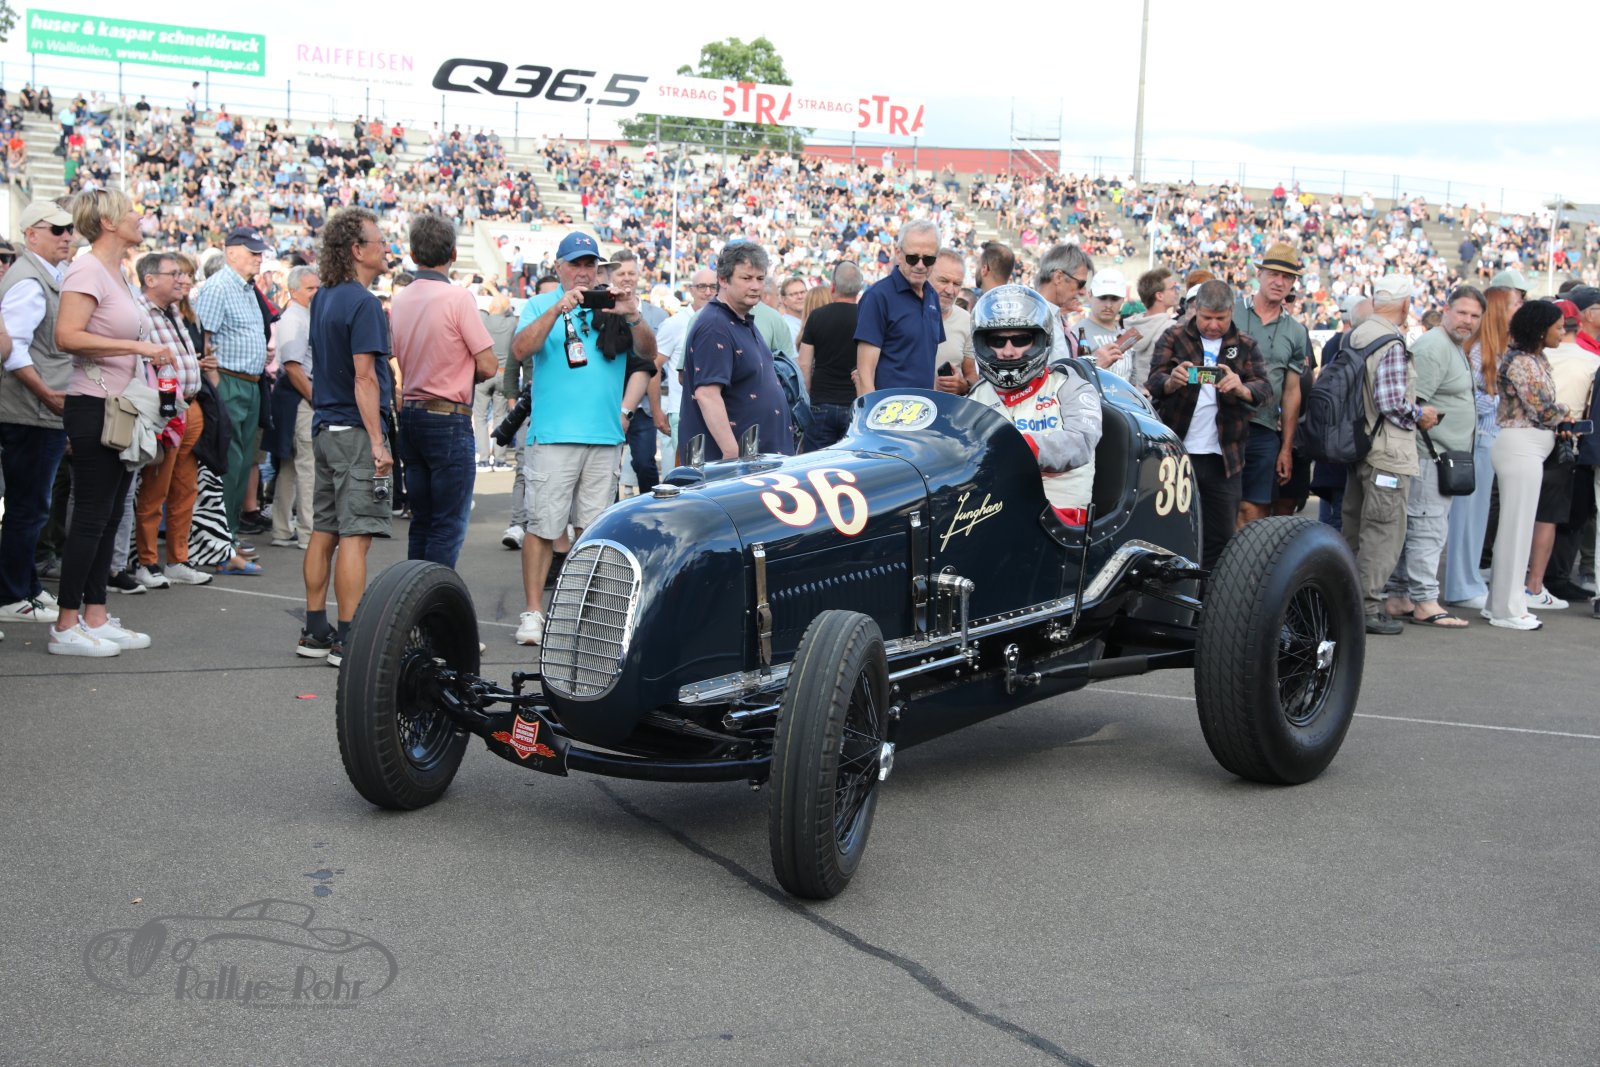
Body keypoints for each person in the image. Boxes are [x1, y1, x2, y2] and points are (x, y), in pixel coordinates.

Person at [509, 231, 655, 646]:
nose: (583, 271)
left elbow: (648, 354)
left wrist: (632, 314)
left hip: (604, 436)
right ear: (558, 267)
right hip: (554, 435)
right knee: (542, 526)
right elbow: (520, 350)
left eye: (590, 264)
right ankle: (533, 612)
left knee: (592, 534)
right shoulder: (541, 304)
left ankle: (578, 615)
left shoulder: (613, 304)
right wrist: (559, 308)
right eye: (575, 264)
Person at [49, 188, 176, 656]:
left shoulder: (115, 271)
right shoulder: (86, 269)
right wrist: (139, 348)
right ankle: (66, 624)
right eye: (129, 211)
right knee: (92, 516)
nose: (138, 217)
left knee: (109, 516)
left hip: (120, 407)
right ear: (106, 222)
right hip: (95, 406)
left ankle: (96, 614)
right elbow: (67, 335)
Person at [299, 207, 394, 665]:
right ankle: (348, 637)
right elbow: (365, 377)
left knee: (325, 530)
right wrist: (377, 441)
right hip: (354, 430)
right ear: (357, 250)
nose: (386, 247)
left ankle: (315, 629)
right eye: (379, 241)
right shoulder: (363, 302)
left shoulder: (324, 296)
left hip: (325, 426)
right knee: (356, 535)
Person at [389, 213, 497, 567]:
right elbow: (488, 365)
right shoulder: (458, 298)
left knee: (422, 521)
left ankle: (414, 592)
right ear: (453, 253)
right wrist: (464, 372)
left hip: (412, 412)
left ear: (412, 254)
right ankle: (434, 595)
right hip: (447, 417)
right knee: (447, 525)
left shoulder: (401, 299)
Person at [1147, 281, 1272, 566]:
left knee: (1221, 536)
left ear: (1231, 312)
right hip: (1177, 454)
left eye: (1220, 318)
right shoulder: (1174, 336)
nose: (1213, 325)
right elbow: (1153, 381)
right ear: (1195, 309)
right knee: (1170, 530)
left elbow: (1265, 390)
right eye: (1207, 318)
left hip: (1224, 458)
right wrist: (1171, 381)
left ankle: (1210, 592)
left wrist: (1241, 388)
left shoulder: (1246, 344)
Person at [1381, 285, 1482, 627]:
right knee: (1427, 529)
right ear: (1446, 310)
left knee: (1419, 527)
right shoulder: (1435, 347)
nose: (1467, 320)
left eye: (1475, 315)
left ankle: (1399, 597)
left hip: (1438, 456)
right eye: (1462, 312)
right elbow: (1412, 404)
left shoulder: (1452, 345)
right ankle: (1425, 601)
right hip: (1428, 456)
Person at [1341, 275, 1435, 636]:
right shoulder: (1390, 341)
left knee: (1355, 528)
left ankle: (1347, 601)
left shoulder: (1357, 334)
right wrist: (1421, 414)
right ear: (1406, 304)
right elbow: (1392, 402)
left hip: (1358, 445)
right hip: (1387, 450)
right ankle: (1365, 607)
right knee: (1382, 532)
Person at [967, 284, 1101, 525]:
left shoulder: (1071, 387)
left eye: (1021, 340)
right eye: (997, 341)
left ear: (1040, 340)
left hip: (1059, 520)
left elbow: (1081, 442)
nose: (1008, 351)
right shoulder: (977, 395)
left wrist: (1017, 448)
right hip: (988, 514)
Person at [0, 201, 75, 630]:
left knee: (31, 507)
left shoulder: (44, 275)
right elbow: (13, 350)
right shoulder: (30, 280)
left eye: (69, 229)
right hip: (30, 410)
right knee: (28, 508)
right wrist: (47, 394)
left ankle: (23, 585)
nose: (67, 236)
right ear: (31, 234)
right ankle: (13, 593)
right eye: (57, 229)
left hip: (37, 408)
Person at [131, 252, 214, 589]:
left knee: (185, 488)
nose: (182, 280)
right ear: (150, 280)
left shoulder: (172, 310)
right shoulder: (140, 312)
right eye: (174, 274)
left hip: (188, 407)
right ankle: (146, 561)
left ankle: (178, 560)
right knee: (156, 488)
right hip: (165, 410)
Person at [1485, 301, 1569, 630]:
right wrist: (1565, 411)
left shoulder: (1535, 358)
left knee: (1515, 530)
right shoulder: (1522, 361)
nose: (1563, 332)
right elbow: (1543, 410)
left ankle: (1500, 604)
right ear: (1540, 330)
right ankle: (1508, 610)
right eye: (1558, 327)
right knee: (1516, 532)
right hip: (1520, 448)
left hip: (1527, 449)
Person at [194, 226, 272, 549]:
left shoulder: (246, 288)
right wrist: (214, 385)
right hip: (226, 381)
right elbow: (203, 341)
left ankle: (229, 536)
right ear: (231, 253)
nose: (259, 258)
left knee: (241, 463)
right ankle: (220, 540)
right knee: (228, 462)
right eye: (252, 252)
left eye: (259, 252)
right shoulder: (218, 287)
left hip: (249, 383)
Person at [680, 241, 792, 462]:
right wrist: (732, 455)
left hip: (756, 461)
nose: (755, 286)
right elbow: (707, 395)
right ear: (723, 280)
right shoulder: (715, 326)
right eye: (746, 278)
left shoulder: (739, 319)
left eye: (760, 278)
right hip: (737, 467)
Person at [1234, 242, 1311, 526]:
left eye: (1287, 277)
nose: (1279, 282)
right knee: (1217, 504)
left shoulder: (1296, 331)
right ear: (1259, 274)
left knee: (1255, 510)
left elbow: (1292, 393)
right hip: (1221, 424)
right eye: (1274, 274)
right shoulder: (1230, 312)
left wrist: (1286, 448)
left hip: (1264, 429)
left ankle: (1243, 558)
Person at [500, 275, 559, 551]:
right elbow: (513, 366)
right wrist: (513, 404)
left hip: (559, 407)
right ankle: (518, 523)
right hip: (529, 406)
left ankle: (558, 527)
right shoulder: (527, 325)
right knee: (524, 466)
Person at [855, 220, 945, 392]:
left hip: (924, 406)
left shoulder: (932, 296)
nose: (920, 265)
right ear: (898, 253)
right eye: (912, 258)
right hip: (887, 407)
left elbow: (928, 363)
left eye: (928, 259)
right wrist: (871, 408)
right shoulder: (877, 297)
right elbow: (865, 373)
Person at [268, 266, 319, 549]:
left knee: (291, 465)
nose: (316, 293)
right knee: (306, 465)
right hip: (299, 395)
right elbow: (293, 367)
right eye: (310, 288)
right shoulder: (294, 318)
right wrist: (314, 398)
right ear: (293, 291)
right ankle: (307, 533)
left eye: (317, 287)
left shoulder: (302, 315)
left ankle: (282, 529)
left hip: (297, 394)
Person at [797, 261, 864, 451]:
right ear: (859, 288)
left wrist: (808, 398)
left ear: (833, 286)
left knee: (817, 463)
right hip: (855, 404)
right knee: (851, 463)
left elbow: (804, 364)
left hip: (821, 402)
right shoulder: (866, 317)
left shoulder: (817, 316)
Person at [654, 269, 715, 475]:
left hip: (717, 411)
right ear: (691, 290)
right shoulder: (674, 324)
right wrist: (657, 411)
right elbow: (654, 366)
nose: (708, 292)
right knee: (687, 475)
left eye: (712, 286)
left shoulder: (723, 320)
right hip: (682, 411)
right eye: (702, 287)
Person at [1124, 267, 1180, 390]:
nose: (1176, 292)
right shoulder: (1172, 328)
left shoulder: (1132, 326)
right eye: (1172, 288)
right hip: (1158, 395)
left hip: (1135, 395)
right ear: (1159, 295)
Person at [931, 252, 975, 396]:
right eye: (943, 281)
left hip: (947, 407)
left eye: (957, 284)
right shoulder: (903, 315)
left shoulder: (966, 321)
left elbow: (971, 375)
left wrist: (964, 385)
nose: (950, 291)